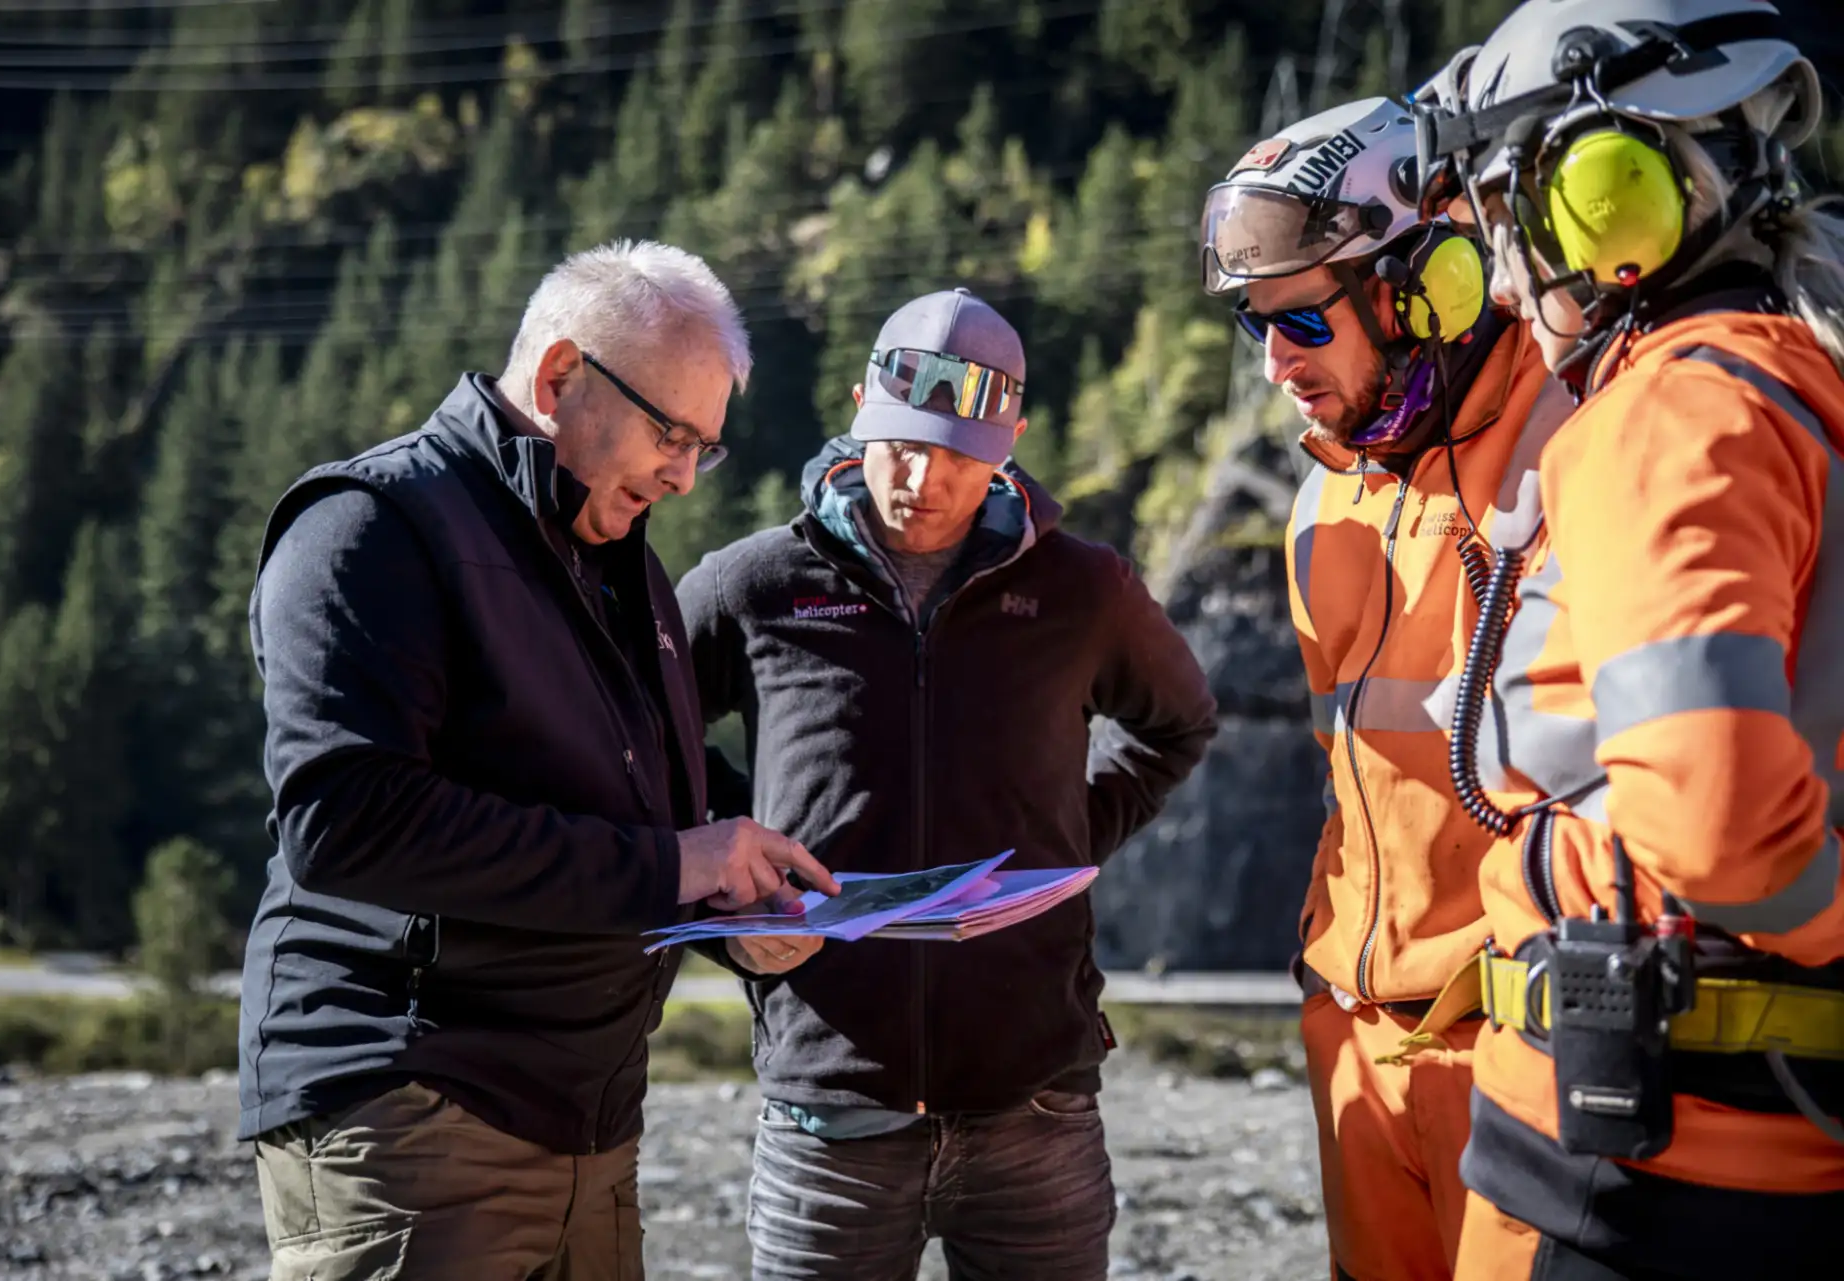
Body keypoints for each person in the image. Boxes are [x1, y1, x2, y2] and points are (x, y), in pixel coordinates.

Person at [236, 238, 838, 1280]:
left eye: (707, 447)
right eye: (670, 432)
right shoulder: (370, 526)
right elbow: (346, 820)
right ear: (561, 376)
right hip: (415, 1108)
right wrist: (679, 868)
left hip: (592, 1125)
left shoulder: (622, 566)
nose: (685, 476)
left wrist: (739, 911)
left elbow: (647, 804)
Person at [1418, 1, 1844, 1275]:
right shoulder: (1802, 375)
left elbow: (1718, 830)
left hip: (1640, 1167)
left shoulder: (1677, 408)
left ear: (1603, 200)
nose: (1500, 281)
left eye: (1505, 224)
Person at [675, 286, 1219, 1280]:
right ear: (857, 412)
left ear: (1008, 439)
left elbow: (1176, 725)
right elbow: (639, 738)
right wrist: (726, 877)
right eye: (900, 446)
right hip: (824, 1108)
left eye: (960, 456)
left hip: (1037, 1108)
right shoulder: (750, 585)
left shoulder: (1083, 590)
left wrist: (1068, 840)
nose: (922, 479)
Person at [1198, 95, 1573, 1280]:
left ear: (1426, 288)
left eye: (1302, 322)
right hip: (1355, 1040)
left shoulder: (1576, 451)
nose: (1275, 366)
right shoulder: (1326, 498)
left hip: (1523, 1050)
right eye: (1256, 328)